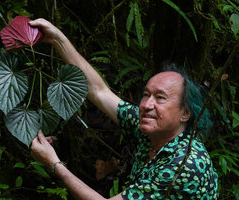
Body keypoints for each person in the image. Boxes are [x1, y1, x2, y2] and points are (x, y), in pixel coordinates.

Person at [29, 18, 218, 200]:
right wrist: (57, 39)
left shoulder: (184, 165)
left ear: (185, 113)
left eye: (160, 98)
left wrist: (54, 164)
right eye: (146, 94)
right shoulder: (154, 127)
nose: (147, 105)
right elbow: (98, 91)